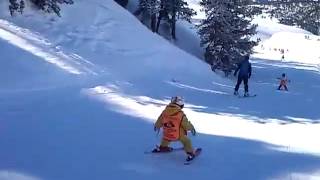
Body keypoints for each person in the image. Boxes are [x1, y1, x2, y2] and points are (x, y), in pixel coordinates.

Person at [153, 96, 197, 161]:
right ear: (180, 104)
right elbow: (186, 124)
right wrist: (191, 128)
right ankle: (190, 153)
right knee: (186, 141)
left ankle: (163, 147)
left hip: (167, 133)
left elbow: (160, 119)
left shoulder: (165, 111)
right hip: (178, 135)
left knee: (166, 138)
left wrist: (157, 126)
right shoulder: (180, 114)